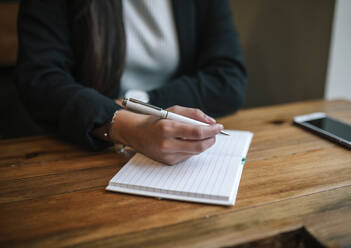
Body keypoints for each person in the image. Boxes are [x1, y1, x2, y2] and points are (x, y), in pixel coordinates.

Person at [16, 0, 247, 165]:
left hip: (164, 142)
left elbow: (228, 79)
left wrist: (136, 104)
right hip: (75, 148)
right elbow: (41, 80)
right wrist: (126, 126)